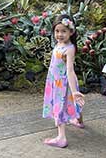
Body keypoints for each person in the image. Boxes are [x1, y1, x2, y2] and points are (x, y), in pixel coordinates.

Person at [42, 14, 85, 148]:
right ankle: (78, 120)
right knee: (72, 103)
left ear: (71, 32)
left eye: (63, 31)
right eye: (57, 31)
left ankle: (61, 137)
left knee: (59, 106)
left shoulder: (69, 49)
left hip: (63, 83)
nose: (60, 34)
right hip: (55, 81)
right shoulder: (59, 44)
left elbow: (70, 70)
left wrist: (74, 91)